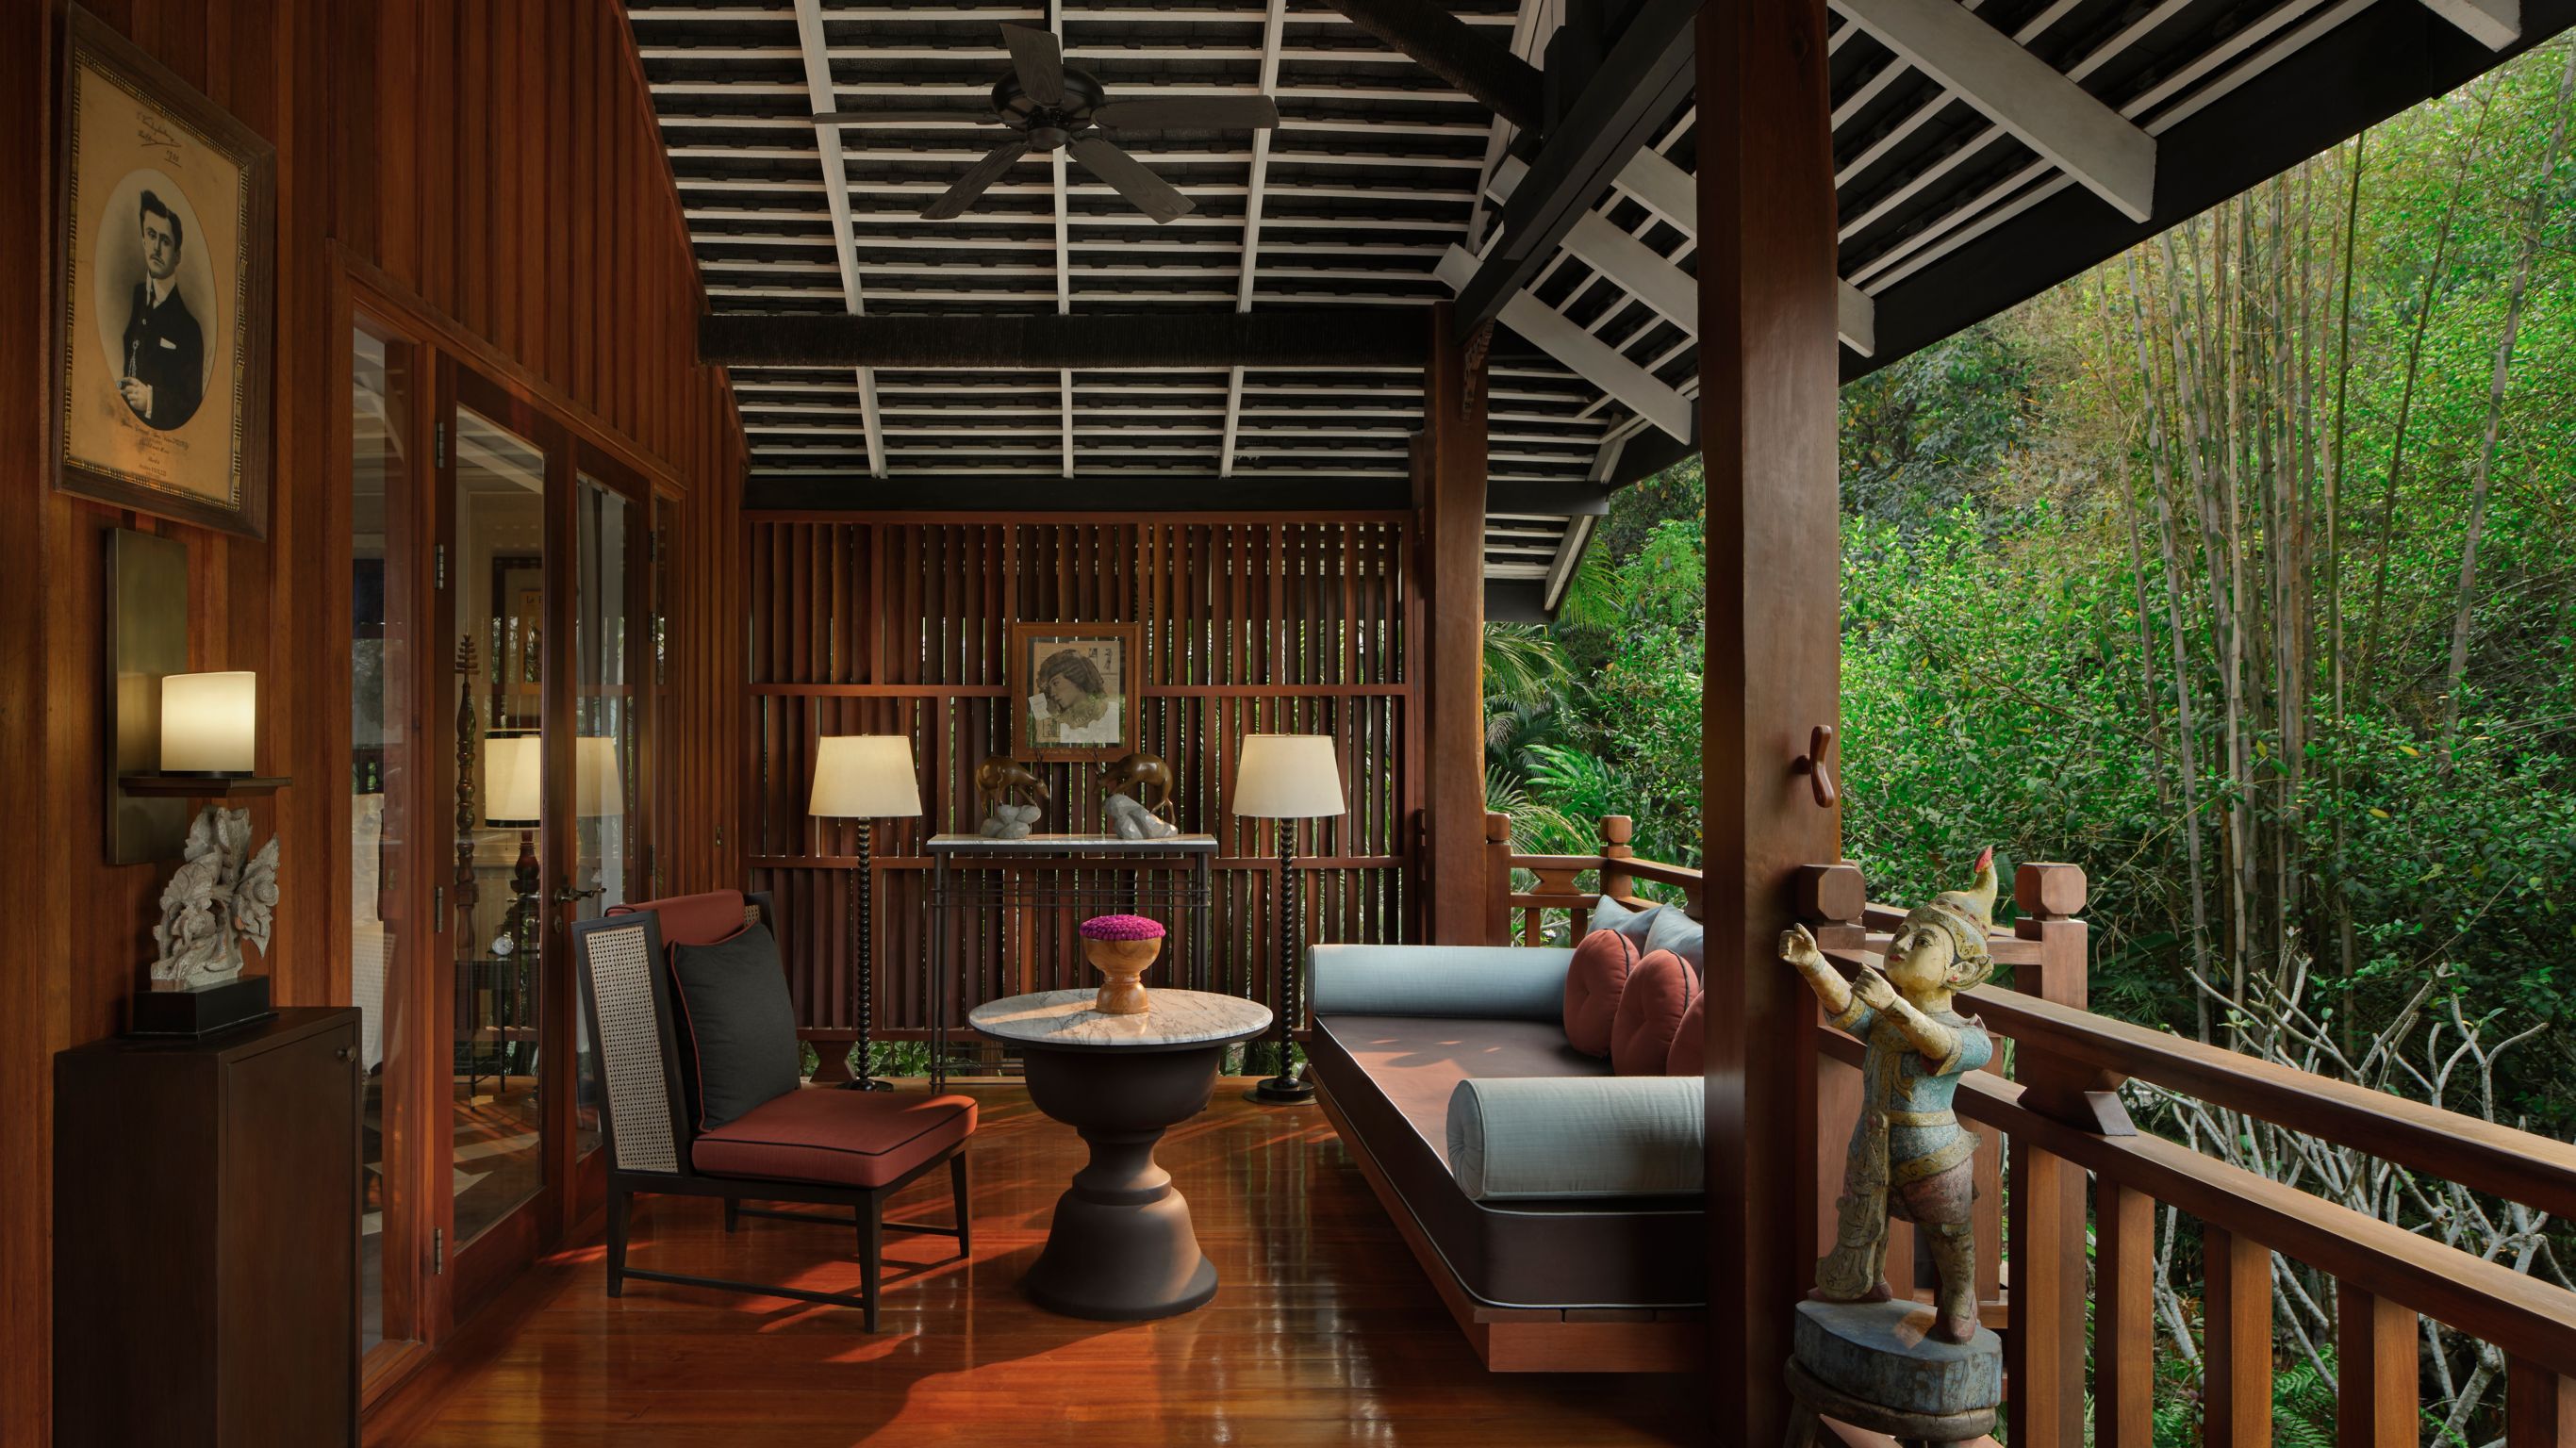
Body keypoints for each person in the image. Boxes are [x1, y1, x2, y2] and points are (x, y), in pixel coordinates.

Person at [1778, 847, 1999, 1344]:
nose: (1901, 943)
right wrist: (1813, 964)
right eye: (1902, 933)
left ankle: (1959, 1299)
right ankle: (1860, 1281)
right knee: (1860, 1218)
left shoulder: (1967, 1031)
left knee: (1947, 1232)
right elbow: (1851, 1013)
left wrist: (1895, 1005)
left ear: (1959, 973)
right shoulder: (1883, 1015)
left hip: (1934, 1154)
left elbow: (1938, 1044)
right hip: (1873, 1140)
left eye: (1922, 941)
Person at [118, 189, 205, 430]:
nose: (156, 248)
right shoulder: (137, 297)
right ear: (143, 240)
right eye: (151, 235)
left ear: (177, 255)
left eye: (165, 241)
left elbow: (191, 405)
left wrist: (150, 400)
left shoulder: (189, 328)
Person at [1029, 648, 1122, 747]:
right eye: (1049, 688)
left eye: (1056, 683)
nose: (1052, 693)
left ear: (1075, 677)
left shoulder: (1111, 711)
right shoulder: (1059, 719)